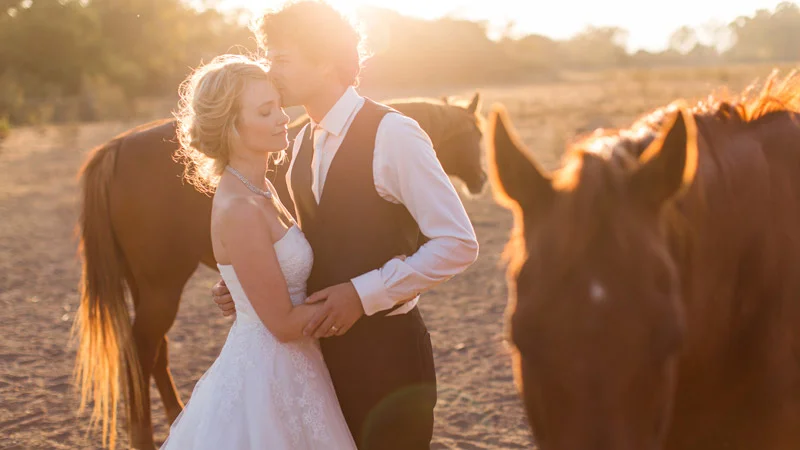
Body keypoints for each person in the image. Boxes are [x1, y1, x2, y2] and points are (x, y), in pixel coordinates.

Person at [211, 2, 480, 449]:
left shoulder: (394, 135)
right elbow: (313, 244)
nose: (271, 71)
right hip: (316, 361)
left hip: (388, 361)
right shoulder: (296, 143)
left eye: (283, 59)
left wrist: (363, 293)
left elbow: (457, 243)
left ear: (324, 61)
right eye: (269, 57)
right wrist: (249, 283)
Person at [160, 54, 357, 450]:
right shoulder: (239, 208)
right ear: (231, 127)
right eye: (266, 111)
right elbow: (283, 325)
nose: (283, 117)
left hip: (298, 367)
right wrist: (366, 297)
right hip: (269, 377)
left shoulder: (261, 188)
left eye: (278, 106)